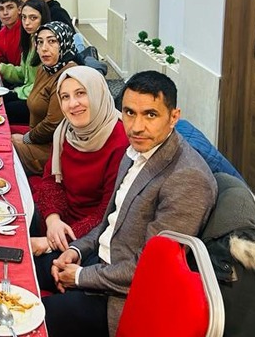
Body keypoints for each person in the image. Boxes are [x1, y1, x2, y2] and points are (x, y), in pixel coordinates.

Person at [43, 70, 218, 337]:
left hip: (121, 297)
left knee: (32, 315)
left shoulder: (188, 178)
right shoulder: (136, 149)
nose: (136, 127)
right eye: (129, 113)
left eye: (150, 114)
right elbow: (108, 222)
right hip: (98, 260)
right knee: (20, 266)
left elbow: (150, 272)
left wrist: (79, 276)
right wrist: (76, 250)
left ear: (174, 117)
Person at [28, 66, 127, 277]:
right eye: (65, 97)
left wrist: (50, 242)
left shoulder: (120, 142)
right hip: (57, 224)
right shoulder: (66, 130)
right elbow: (51, 181)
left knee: (21, 268)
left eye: (81, 93)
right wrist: (53, 220)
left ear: (97, 93)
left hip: (87, 241)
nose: (73, 104)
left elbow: (106, 214)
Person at [11, 22, 79, 174]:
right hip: (38, 136)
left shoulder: (68, 77)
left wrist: (26, 138)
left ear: (64, 43)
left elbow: (52, 124)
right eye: (40, 42)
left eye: (52, 41)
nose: (44, 48)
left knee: (4, 151)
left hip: (56, 149)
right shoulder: (45, 68)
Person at [0, 0, 50, 124]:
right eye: (24, 17)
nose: (27, 23)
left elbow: (44, 85)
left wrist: (16, 92)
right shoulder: (31, 39)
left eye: (33, 18)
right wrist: (1, 67)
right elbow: (24, 74)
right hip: (28, 92)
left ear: (43, 19)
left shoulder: (46, 46)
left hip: (40, 102)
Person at [0, 0, 23, 64]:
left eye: (10, 8)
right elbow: (0, 62)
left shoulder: (26, 31)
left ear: (19, 10)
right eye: (1, 9)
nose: (5, 13)